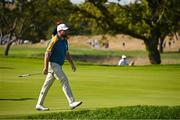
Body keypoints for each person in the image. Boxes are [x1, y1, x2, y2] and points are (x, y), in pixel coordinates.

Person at [36, 23, 82, 111]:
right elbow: (47, 54)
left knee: (46, 85)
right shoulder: (54, 40)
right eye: (65, 30)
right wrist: (45, 67)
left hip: (58, 65)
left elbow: (66, 54)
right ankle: (71, 102)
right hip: (53, 64)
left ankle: (39, 104)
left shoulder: (65, 41)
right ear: (60, 31)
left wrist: (72, 64)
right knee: (64, 80)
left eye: (67, 30)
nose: (67, 31)